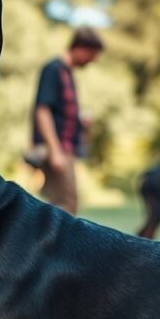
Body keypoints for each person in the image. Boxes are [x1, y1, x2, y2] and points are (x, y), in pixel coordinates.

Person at [31, 27, 104, 215]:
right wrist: (55, 151)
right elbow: (42, 110)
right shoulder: (53, 69)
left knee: (63, 203)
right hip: (58, 149)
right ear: (81, 48)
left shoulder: (67, 73)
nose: (93, 60)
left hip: (66, 148)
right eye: (92, 55)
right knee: (66, 204)